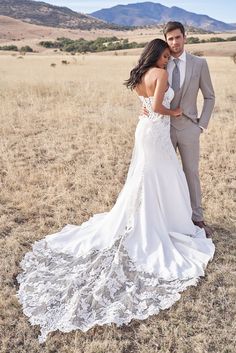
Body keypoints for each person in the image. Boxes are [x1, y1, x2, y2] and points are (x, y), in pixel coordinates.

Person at [16, 39, 215, 343]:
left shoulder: (140, 73)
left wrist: (153, 109)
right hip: (157, 130)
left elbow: (145, 105)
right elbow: (159, 107)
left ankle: (156, 215)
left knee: (149, 177)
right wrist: (174, 113)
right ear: (156, 54)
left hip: (145, 130)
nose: (166, 59)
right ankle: (166, 222)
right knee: (161, 176)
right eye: (164, 55)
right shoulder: (160, 74)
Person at [142, 21, 215, 236]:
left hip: (189, 129)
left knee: (190, 172)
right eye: (170, 39)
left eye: (178, 37)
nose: (174, 42)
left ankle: (197, 217)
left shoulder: (199, 63)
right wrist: (144, 107)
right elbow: (145, 85)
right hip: (162, 129)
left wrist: (201, 125)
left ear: (185, 37)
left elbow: (210, 96)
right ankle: (166, 217)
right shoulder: (159, 64)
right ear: (166, 41)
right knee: (162, 173)